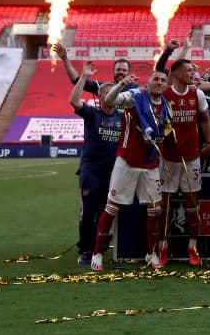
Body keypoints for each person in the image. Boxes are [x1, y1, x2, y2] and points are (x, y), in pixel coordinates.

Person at [91, 69, 171, 271]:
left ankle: (150, 253)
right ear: (148, 81)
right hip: (126, 161)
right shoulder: (135, 96)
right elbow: (110, 99)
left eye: (163, 80)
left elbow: (164, 132)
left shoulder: (166, 106)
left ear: (166, 85)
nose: (159, 83)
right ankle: (97, 253)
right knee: (112, 207)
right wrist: (121, 84)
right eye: (155, 79)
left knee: (155, 210)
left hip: (150, 164)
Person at [157, 58, 210, 266]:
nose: (192, 74)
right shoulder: (165, 94)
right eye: (189, 70)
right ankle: (163, 247)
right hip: (169, 158)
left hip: (192, 157)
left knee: (192, 203)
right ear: (177, 73)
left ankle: (192, 247)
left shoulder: (197, 94)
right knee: (165, 204)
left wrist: (209, 142)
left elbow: (205, 118)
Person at [68, 62, 123, 266]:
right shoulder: (93, 114)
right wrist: (84, 76)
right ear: (100, 96)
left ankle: (99, 248)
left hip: (113, 173)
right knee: (88, 213)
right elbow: (73, 100)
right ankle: (85, 250)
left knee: (105, 213)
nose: (111, 95)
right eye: (107, 92)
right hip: (91, 172)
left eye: (114, 92)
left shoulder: (122, 117)